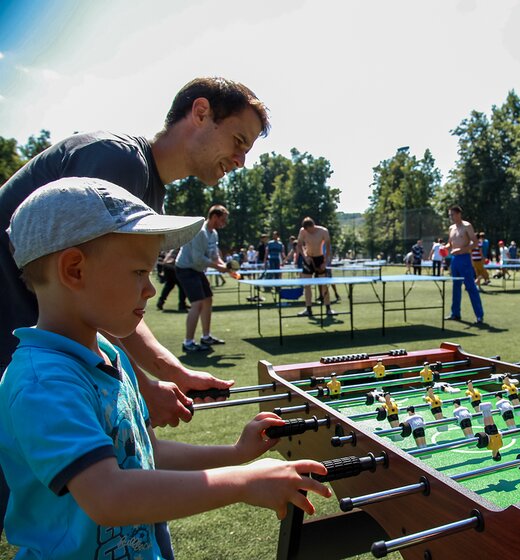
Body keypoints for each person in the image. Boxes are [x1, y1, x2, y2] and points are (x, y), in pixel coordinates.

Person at [0, 178, 331, 559]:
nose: (151, 289)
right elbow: (109, 496)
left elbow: (145, 455)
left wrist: (236, 453)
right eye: (139, 272)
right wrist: (243, 482)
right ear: (74, 270)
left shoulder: (109, 353)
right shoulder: (43, 382)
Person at [0, 76, 265, 421]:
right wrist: (142, 386)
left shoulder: (145, 185)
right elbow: (96, 293)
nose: (241, 160)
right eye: (238, 141)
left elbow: (116, 298)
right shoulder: (119, 161)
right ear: (200, 112)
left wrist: (173, 373)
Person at [175, 205, 231, 352]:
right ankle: (188, 343)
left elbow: (214, 254)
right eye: (223, 220)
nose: (224, 223)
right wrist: (219, 268)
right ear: (214, 217)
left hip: (197, 269)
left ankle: (206, 337)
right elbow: (197, 259)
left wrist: (224, 265)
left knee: (208, 299)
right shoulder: (201, 232)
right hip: (186, 268)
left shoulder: (214, 234)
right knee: (198, 303)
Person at [445, 205, 484, 324]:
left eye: (452, 214)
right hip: (454, 259)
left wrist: (462, 250)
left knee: (470, 287)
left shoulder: (467, 226)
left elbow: (475, 242)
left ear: (458, 214)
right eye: (450, 215)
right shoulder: (451, 228)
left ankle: (479, 315)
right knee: (456, 286)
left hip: (465, 258)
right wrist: (444, 248)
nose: (451, 217)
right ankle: (455, 313)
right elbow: (450, 244)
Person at [297, 217, 334, 318]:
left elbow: (328, 247)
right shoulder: (303, 231)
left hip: (320, 259)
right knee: (307, 285)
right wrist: (305, 257)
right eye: (306, 230)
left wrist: (325, 262)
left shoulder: (323, 231)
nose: (309, 232)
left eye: (309, 229)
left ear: (313, 226)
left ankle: (328, 308)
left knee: (323, 285)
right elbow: (299, 246)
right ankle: (308, 309)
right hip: (309, 259)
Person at [156, 247, 188, 312]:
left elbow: (167, 257)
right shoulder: (184, 248)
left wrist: (162, 270)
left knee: (169, 285)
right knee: (182, 286)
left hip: (167, 266)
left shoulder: (175, 248)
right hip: (174, 266)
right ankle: (182, 305)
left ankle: (160, 302)